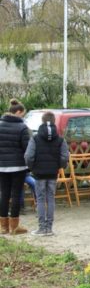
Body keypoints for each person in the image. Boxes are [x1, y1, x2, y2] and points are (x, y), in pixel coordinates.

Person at [24, 111, 69, 236]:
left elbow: (28, 156)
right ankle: (49, 228)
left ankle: (41, 228)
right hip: (53, 173)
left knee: (40, 199)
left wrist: (32, 167)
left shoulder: (35, 138)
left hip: (39, 173)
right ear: (54, 121)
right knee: (50, 199)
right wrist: (60, 166)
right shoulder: (60, 139)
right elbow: (65, 156)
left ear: (42, 121)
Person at [0, 99, 30, 235]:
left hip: (1, 166)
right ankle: (14, 226)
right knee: (16, 194)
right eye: (23, 114)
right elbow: (27, 149)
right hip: (18, 166)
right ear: (18, 112)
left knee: (4, 194)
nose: (23, 117)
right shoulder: (22, 127)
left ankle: (3, 227)